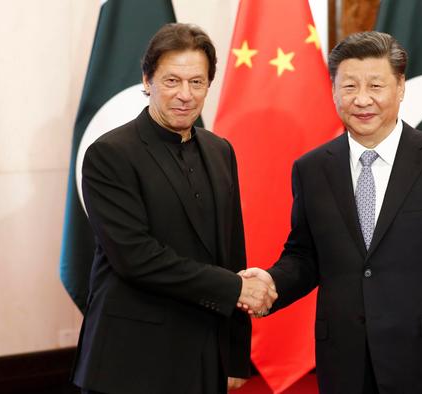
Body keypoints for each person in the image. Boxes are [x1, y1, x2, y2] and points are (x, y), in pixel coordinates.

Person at [240, 31, 422, 394]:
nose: (362, 99)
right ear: (333, 90)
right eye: (349, 86)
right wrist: (271, 283)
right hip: (346, 361)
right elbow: (305, 256)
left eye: (376, 85)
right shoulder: (313, 168)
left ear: (400, 87)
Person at [72, 23, 276, 394]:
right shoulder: (110, 154)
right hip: (131, 362)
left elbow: (232, 251)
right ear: (147, 80)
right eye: (172, 81)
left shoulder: (220, 151)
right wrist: (234, 288)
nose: (185, 95)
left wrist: (234, 354)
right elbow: (137, 257)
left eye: (197, 82)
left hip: (203, 356)